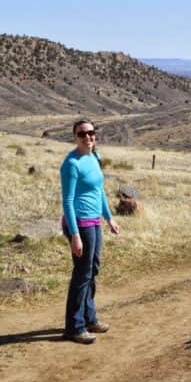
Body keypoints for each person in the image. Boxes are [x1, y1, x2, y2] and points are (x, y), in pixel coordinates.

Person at [60, 119, 120, 344]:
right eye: (82, 134)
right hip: (79, 223)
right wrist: (74, 235)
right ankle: (74, 327)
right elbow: (67, 201)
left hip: (94, 221)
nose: (87, 137)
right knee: (82, 274)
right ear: (75, 137)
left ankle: (89, 317)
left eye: (91, 133)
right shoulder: (71, 164)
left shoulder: (94, 157)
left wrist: (109, 218)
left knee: (92, 270)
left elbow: (99, 190)